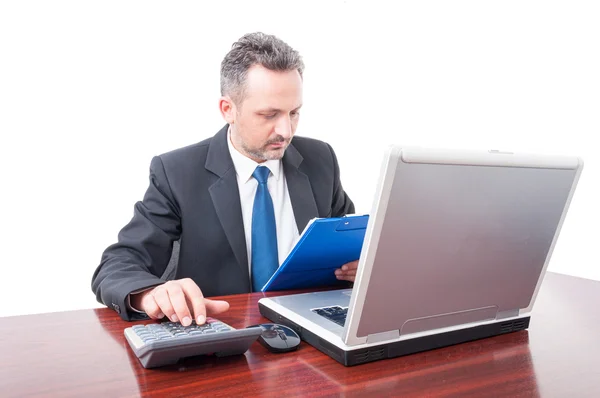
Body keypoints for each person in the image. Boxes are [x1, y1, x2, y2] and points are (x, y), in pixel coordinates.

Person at [91, 32, 358, 325]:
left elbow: (351, 244)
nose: (286, 130)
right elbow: (117, 265)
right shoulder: (177, 172)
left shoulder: (321, 159)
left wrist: (364, 266)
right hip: (222, 335)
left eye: (294, 112)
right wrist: (150, 294)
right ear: (228, 110)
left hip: (310, 331)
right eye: (269, 114)